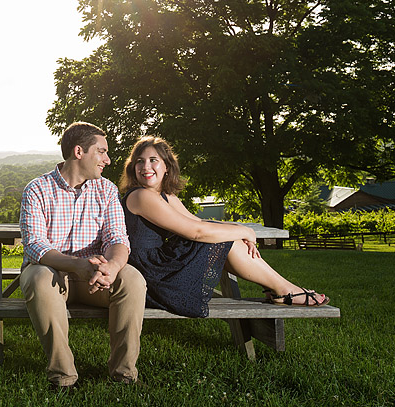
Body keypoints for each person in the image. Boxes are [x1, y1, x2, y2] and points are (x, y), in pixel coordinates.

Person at [119, 135, 329, 318]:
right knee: (226, 241)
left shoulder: (164, 195)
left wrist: (237, 229)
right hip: (149, 275)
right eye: (139, 161)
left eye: (153, 160)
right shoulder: (141, 196)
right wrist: (245, 231)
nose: (145, 167)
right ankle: (284, 290)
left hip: (158, 265)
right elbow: (196, 232)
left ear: (167, 166)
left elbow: (198, 222)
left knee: (227, 237)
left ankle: (280, 288)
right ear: (133, 168)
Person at [19, 122, 147, 390]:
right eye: (101, 151)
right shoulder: (37, 189)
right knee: (39, 277)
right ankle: (63, 377)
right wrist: (77, 265)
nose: (107, 160)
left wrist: (112, 267)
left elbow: (117, 238)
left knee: (132, 279)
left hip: (94, 277)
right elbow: (35, 246)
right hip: (53, 273)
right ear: (79, 152)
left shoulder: (107, 190)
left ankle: (124, 375)